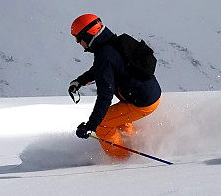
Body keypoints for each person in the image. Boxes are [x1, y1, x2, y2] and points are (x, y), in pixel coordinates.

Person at [69, 14, 161, 159]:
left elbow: (105, 96)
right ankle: (135, 143)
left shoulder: (104, 55)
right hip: (148, 94)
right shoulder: (114, 43)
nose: (78, 43)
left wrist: (92, 125)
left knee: (103, 124)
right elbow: (105, 68)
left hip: (141, 102)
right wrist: (81, 81)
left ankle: (121, 160)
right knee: (118, 119)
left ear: (89, 34)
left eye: (78, 38)